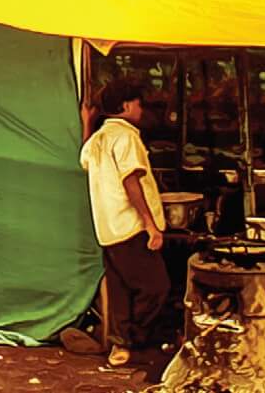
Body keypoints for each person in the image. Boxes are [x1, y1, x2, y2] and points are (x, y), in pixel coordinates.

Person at [80, 76, 169, 371]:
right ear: (128, 105)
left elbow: (85, 158)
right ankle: (136, 342)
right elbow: (131, 181)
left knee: (120, 290)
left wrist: (87, 123)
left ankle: (121, 345)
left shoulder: (98, 138)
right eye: (139, 103)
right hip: (130, 226)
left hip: (107, 228)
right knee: (156, 287)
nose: (141, 109)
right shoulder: (126, 136)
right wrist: (150, 224)